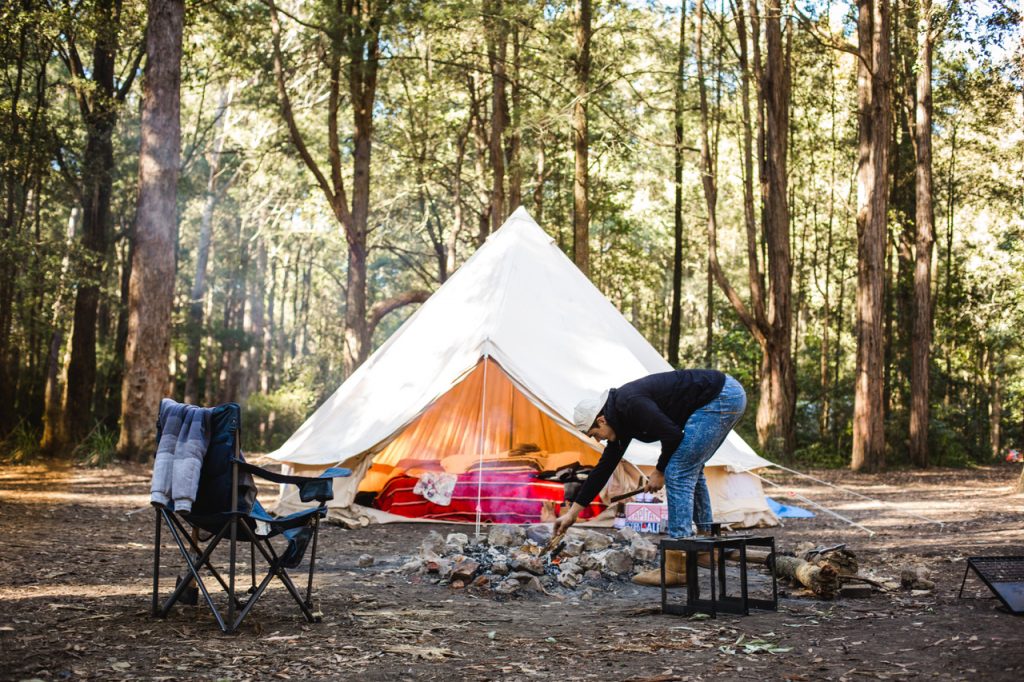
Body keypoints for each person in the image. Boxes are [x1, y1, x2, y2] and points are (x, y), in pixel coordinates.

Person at [553, 369, 746, 586]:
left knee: (678, 471)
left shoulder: (630, 404)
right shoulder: (619, 422)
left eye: (595, 434)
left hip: (720, 396)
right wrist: (572, 514)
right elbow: (604, 468)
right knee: (690, 468)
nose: (598, 440)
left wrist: (660, 471)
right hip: (724, 395)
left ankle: (678, 565)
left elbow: (672, 435)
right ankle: (705, 545)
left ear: (601, 420)